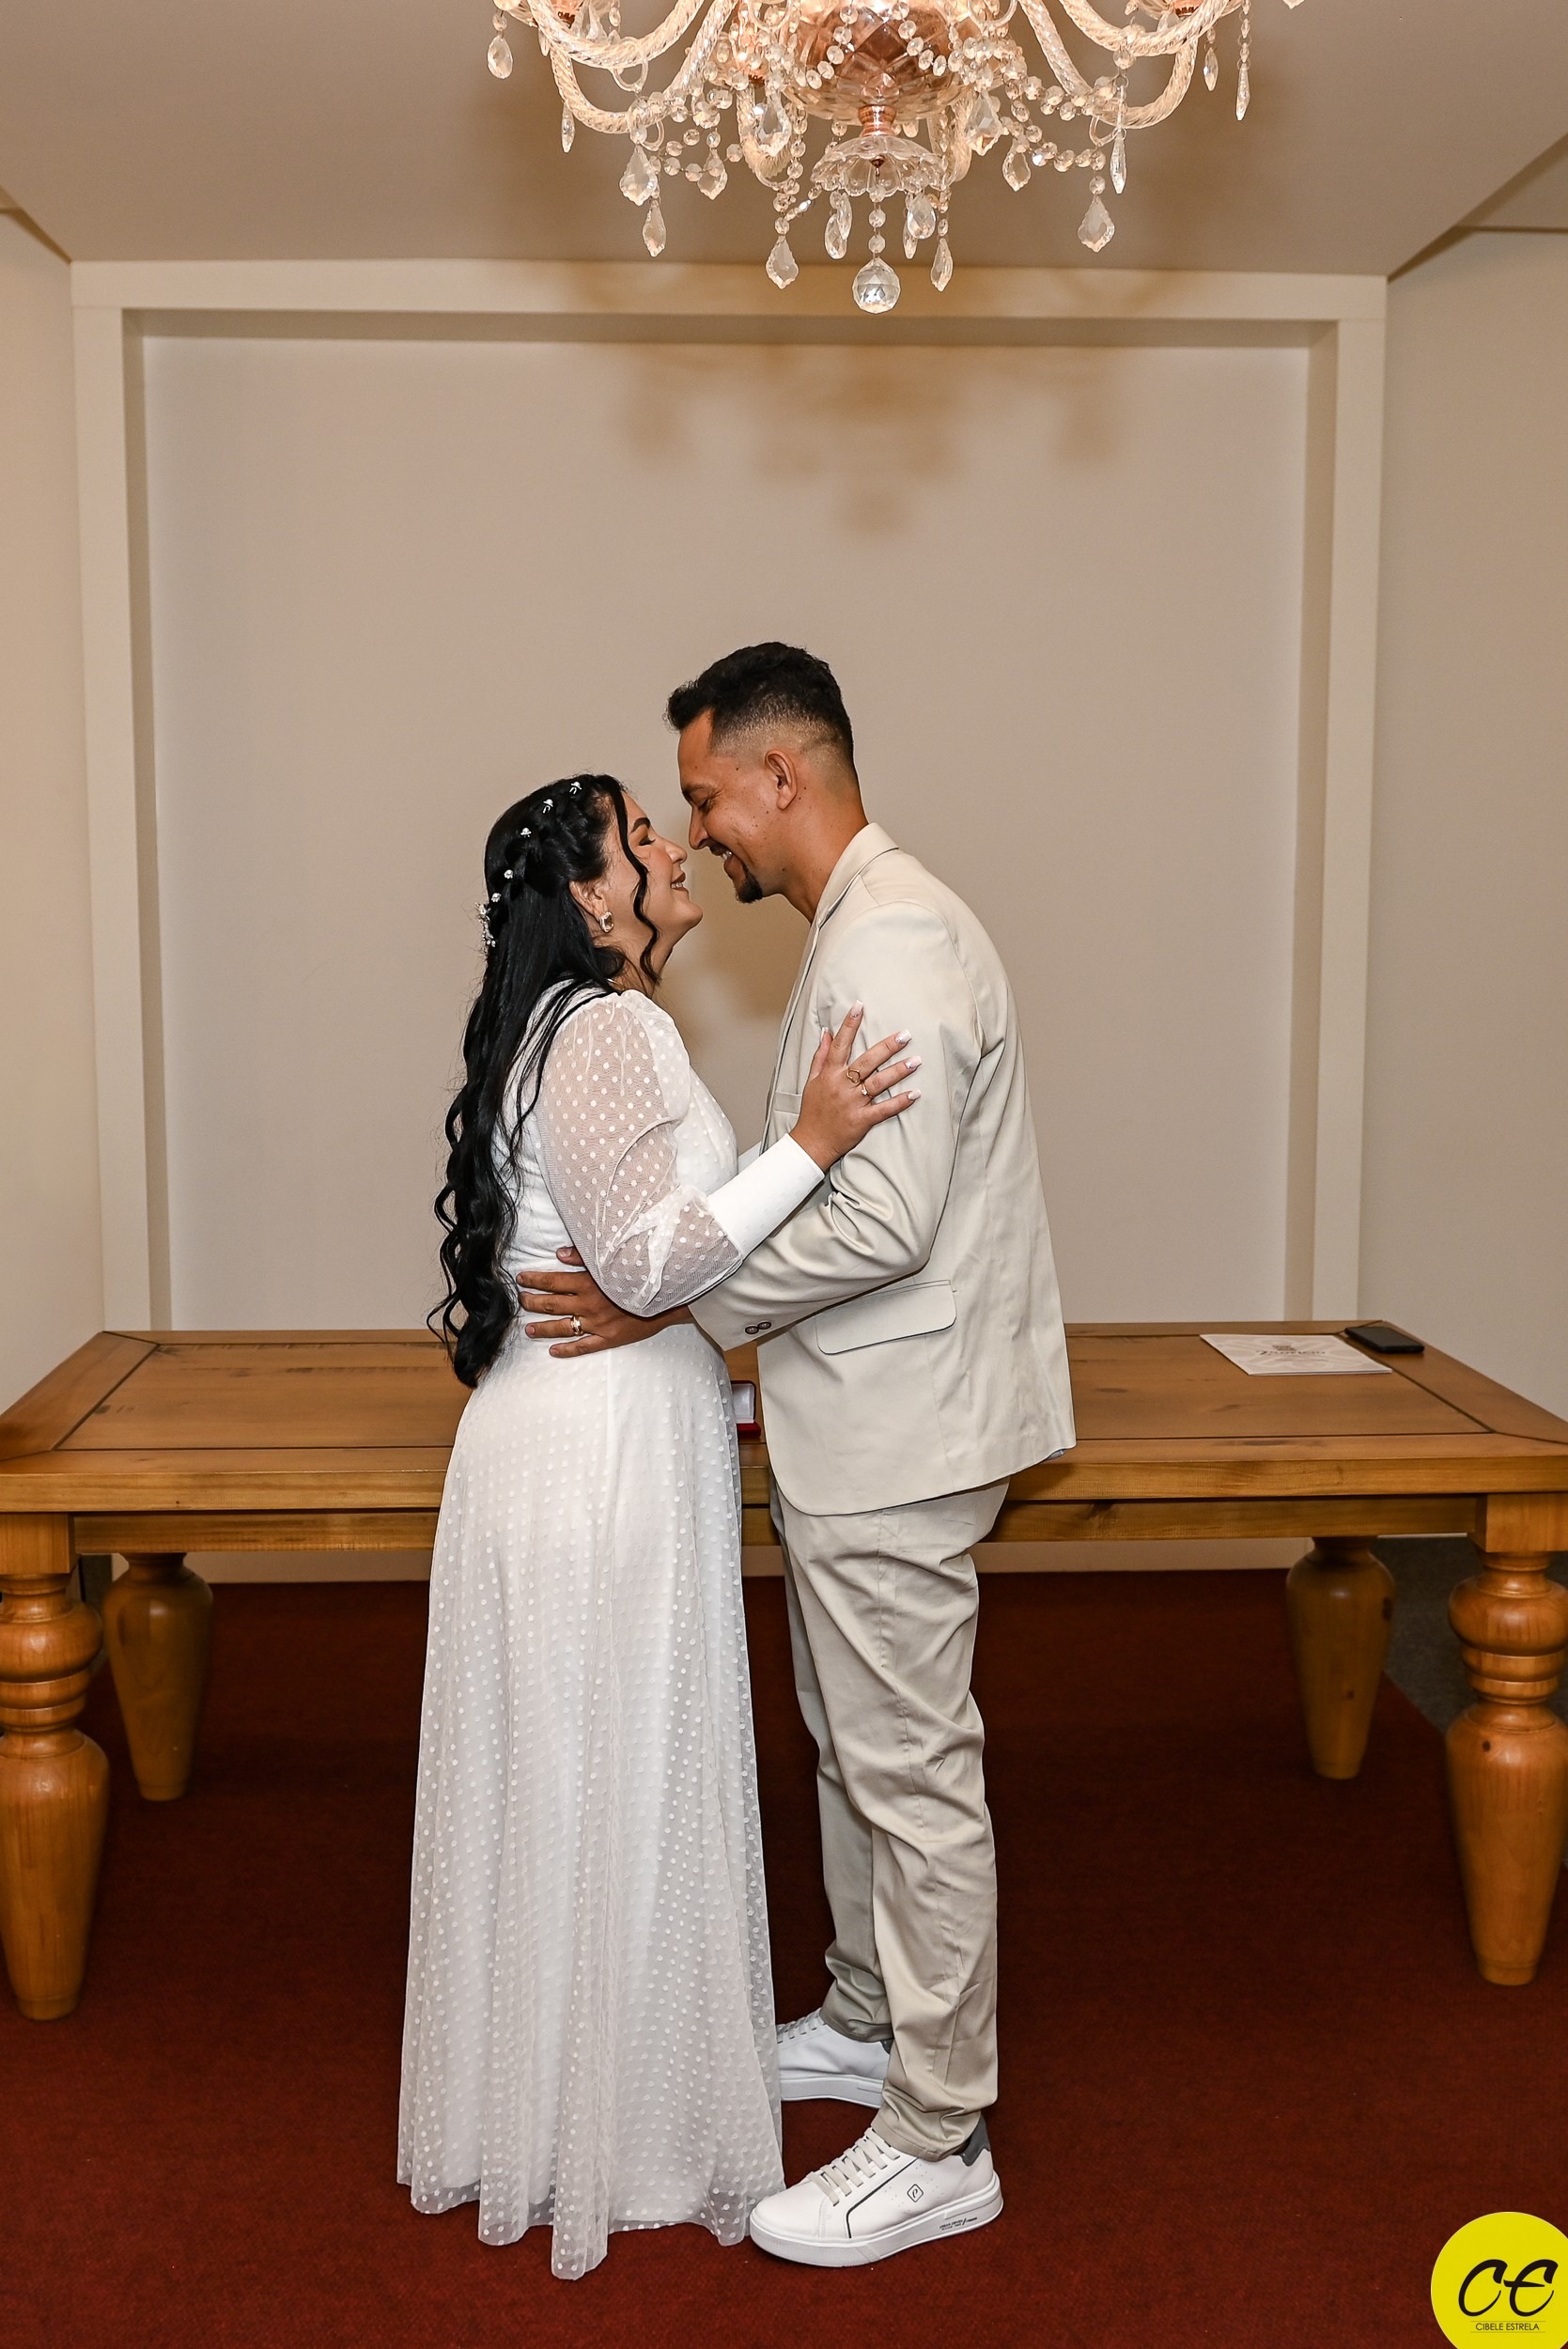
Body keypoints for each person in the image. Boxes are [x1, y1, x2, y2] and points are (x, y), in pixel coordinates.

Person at [519, 647, 1076, 2269]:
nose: (697, 832)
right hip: (861, 1417)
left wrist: (676, 1304)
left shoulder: (890, 938)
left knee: (910, 1773)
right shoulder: (857, 928)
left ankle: (939, 2132)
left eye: (704, 797)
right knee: (851, 1744)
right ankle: (862, 2015)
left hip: (901, 1426)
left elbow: (884, 1220)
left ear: (783, 773)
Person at [398, 770, 919, 2280]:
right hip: (598, 1462)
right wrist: (811, 1142)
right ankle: (616, 2140)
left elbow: (635, 1263)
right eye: (640, 835)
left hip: (567, 1442)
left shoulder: (571, 1028)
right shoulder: (608, 1030)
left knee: (573, 1779)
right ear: (590, 898)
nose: (673, 846)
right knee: (611, 1767)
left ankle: (565, 2110)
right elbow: (640, 1259)